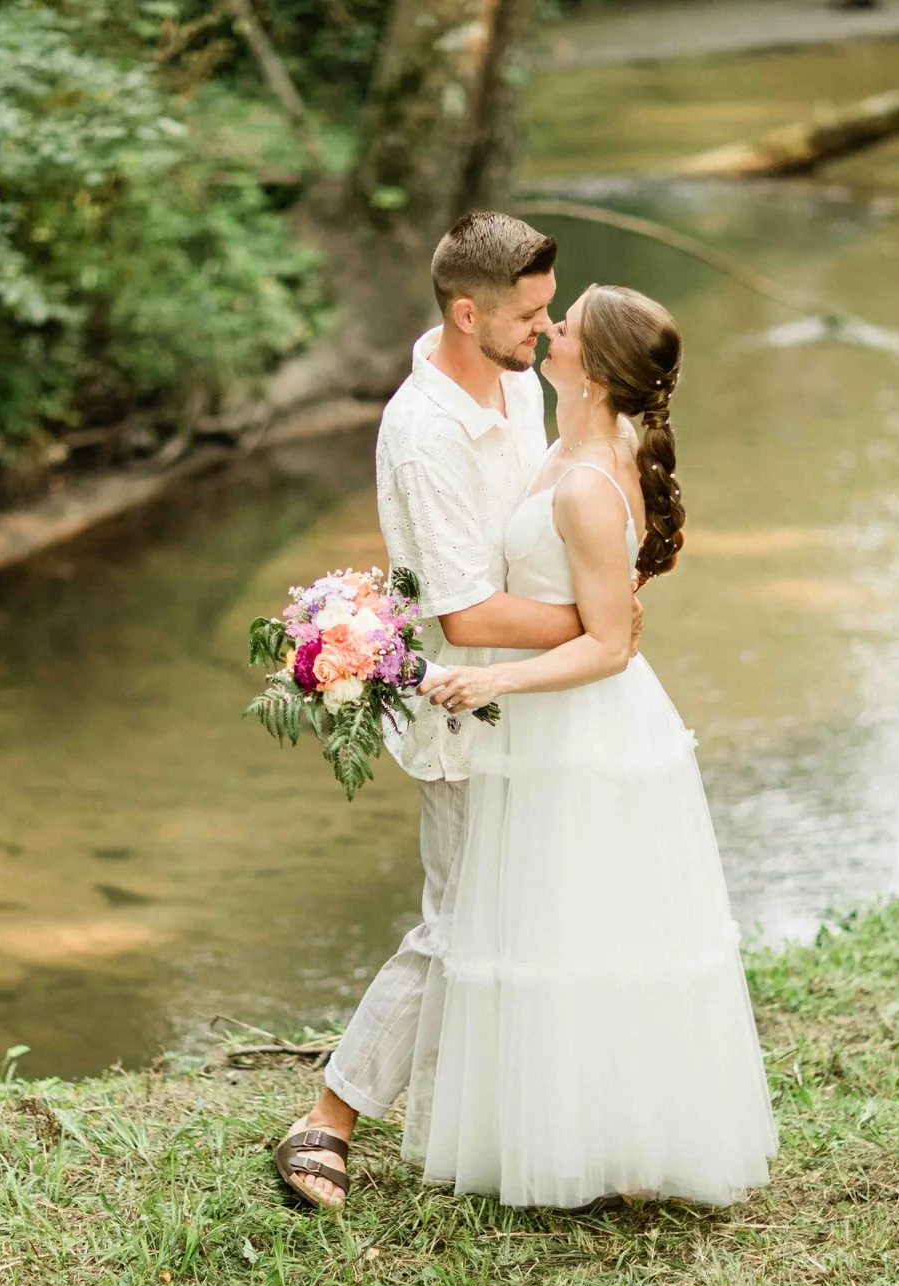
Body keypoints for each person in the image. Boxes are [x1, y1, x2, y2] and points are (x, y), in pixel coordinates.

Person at [275, 212, 641, 1210]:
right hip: (470, 703)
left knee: (550, 910)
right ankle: (328, 1117)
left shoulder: (522, 380)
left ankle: (553, 1126)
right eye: (528, 313)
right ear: (465, 310)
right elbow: (466, 610)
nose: (548, 325)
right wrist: (595, 619)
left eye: (548, 306)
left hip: (550, 690)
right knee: (459, 924)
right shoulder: (423, 430)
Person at [409, 284, 777, 1207]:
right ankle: (580, 1133)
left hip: (585, 722)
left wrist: (491, 677)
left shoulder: (583, 480)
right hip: (550, 716)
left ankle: (618, 1145)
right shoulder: (570, 447)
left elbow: (609, 643)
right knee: (563, 923)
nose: (549, 331)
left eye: (563, 326)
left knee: (595, 930)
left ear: (599, 369)